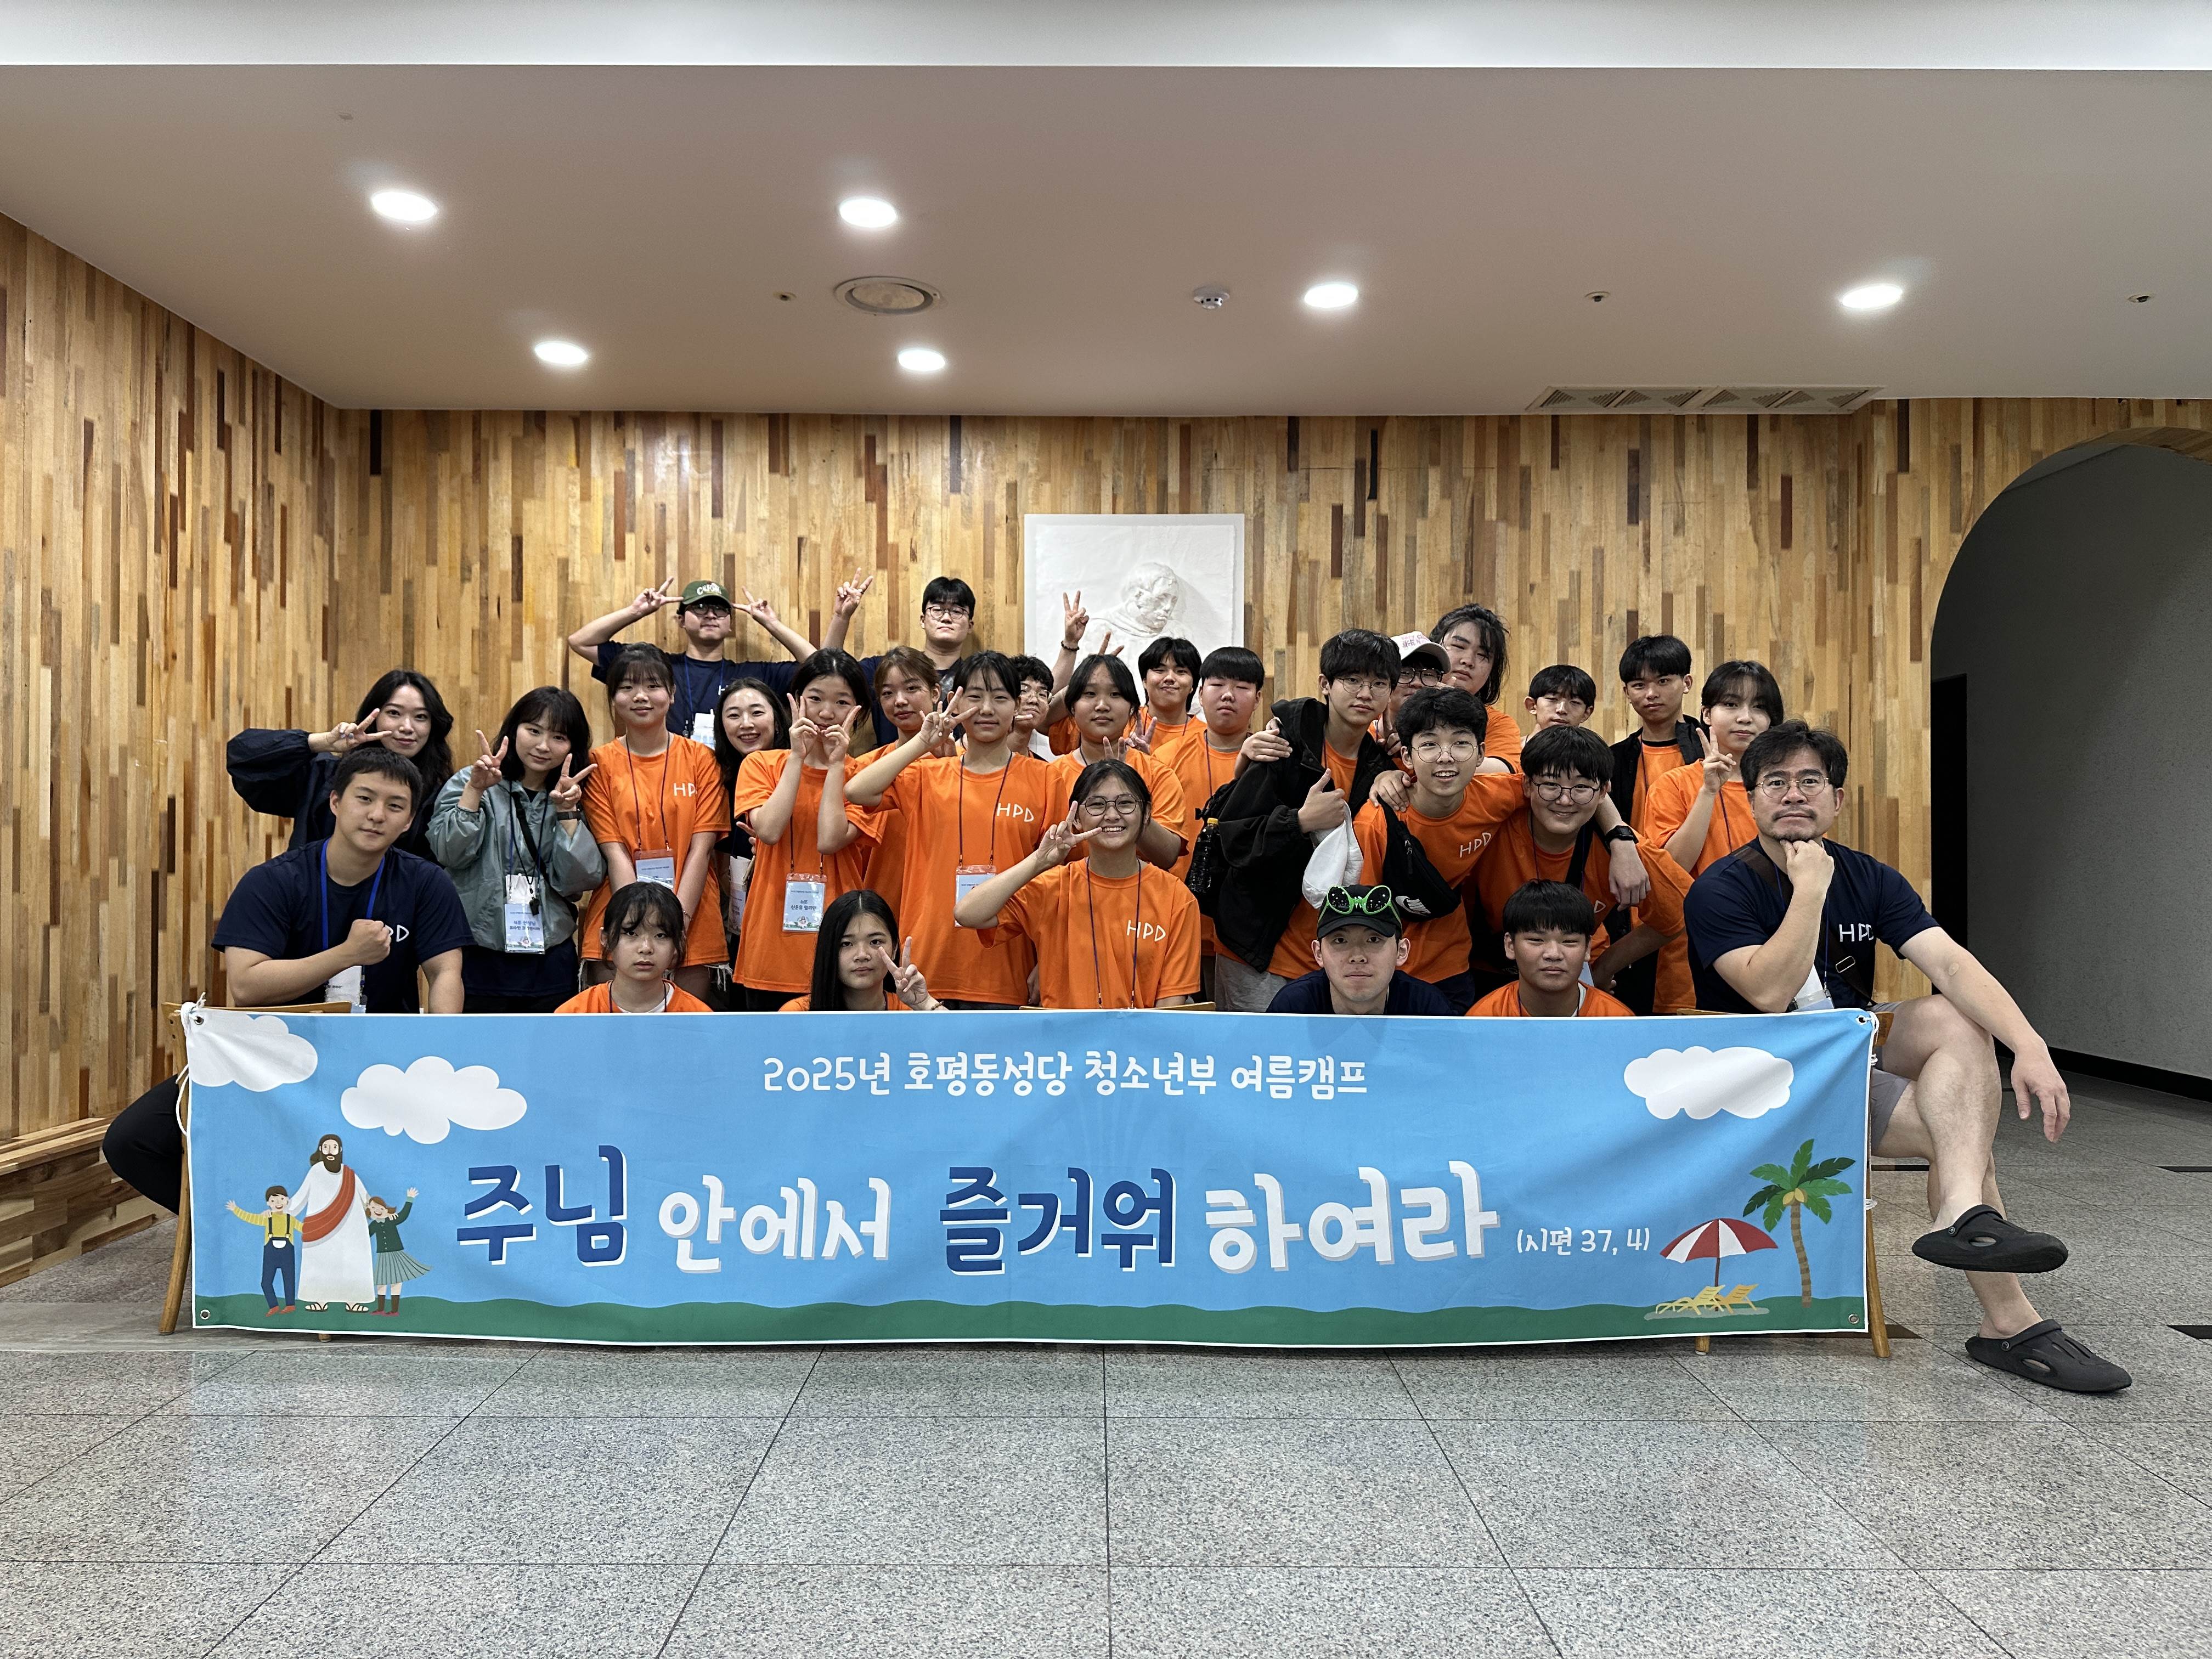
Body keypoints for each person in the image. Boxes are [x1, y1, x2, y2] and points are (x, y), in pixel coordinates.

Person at [1683, 721, 2129, 1394]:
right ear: (1751, 801)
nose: (1793, 795)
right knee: (1963, 1136)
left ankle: (1962, 1216)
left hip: (1846, 1066)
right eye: (1775, 782)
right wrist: (1809, 891)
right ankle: (2008, 1319)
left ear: (1838, 799)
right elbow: (1769, 993)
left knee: (1958, 1020)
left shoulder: (1871, 877)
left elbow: (1950, 963)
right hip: (1763, 1084)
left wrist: (2030, 1046)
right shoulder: (1721, 887)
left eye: (1810, 782)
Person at [103, 748, 472, 1216]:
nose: (378, 815)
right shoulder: (275, 881)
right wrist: (346, 955)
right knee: (132, 1140)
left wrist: (439, 1047)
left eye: (395, 806)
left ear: (409, 821)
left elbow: (445, 972)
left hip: (379, 1060)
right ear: (335, 802)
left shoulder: (426, 883)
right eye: (364, 798)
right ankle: (235, 1233)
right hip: (271, 1055)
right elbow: (247, 985)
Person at [1208, 629, 1404, 1012]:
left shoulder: (1380, 766)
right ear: (1325, 685)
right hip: (1259, 951)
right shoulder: (1283, 745)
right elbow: (1234, 839)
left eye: (1379, 684)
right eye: (1352, 680)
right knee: (1263, 1050)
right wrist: (1298, 821)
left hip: (1335, 960)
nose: (1365, 693)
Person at [845, 653, 1056, 1008]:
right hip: (927, 967)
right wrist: (922, 742)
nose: (986, 709)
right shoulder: (927, 775)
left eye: (1000, 697)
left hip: (1006, 965)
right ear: (955, 702)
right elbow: (857, 791)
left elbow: (1057, 880)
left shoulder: (1047, 778)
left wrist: (1045, 956)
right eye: (975, 697)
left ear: (1018, 706)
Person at [955, 760, 1201, 1008]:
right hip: (1062, 1033)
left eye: (1126, 803)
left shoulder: (1176, 898)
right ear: (1076, 820)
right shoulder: (1053, 887)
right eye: (1097, 805)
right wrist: (1039, 861)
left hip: (1140, 1033)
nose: (1112, 815)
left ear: (1146, 814)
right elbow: (968, 913)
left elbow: (1170, 1007)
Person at [1465, 724, 1682, 998]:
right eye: (1551, 785)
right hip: (1480, 973)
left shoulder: (1625, 851)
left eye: (1581, 787)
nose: (1565, 800)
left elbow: (1675, 917)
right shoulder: (1492, 819)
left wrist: (1604, 968)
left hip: (1574, 975)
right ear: (1527, 785)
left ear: (1603, 792)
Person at [426, 687, 606, 1012]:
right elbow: (448, 852)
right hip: (478, 951)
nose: (543, 746)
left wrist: (567, 813)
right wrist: (475, 791)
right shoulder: (472, 781)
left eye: (558, 737)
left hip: (550, 956)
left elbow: (580, 881)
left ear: (573, 747)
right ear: (514, 730)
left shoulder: (576, 797)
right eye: (533, 731)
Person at [1348, 687, 1526, 1013]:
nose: (1446, 756)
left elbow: (1567, 786)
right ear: (1407, 756)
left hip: (1451, 968)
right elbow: (1363, 915)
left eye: (1460, 743)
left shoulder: (1497, 796)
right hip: (1387, 975)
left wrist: (1618, 836)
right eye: (1429, 745)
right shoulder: (1376, 823)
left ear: (1481, 753)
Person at [726, 650, 881, 1009]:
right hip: (770, 942)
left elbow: (830, 840)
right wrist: (797, 756)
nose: (826, 713)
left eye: (842, 702)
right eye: (815, 699)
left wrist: (836, 765)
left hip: (841, 943)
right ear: (796, 701)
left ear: (859, 711)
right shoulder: (761, 763)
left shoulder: (864, 777)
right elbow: (769, 830)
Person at [578, 646, 730, 1002]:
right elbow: (614, 852)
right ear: (613, 697)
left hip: (692, 913)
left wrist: (676, 925)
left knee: (685, 1031)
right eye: (627, 687)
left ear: (672, 694)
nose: (640, 696)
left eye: (652, 685)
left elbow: (701, 849)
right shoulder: (598, 763)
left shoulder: (702, 759)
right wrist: (634, 927)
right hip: (619, 914)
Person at [1644, 660, 1782, 1012]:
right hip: (1690, 969)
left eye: (1759, 708)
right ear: (1706, 714)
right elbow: (1670, 871)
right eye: (1731, 704)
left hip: (1775, 964)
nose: (1745, 718)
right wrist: (1708, 792)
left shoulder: (1786, 792)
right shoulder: (1672, 785)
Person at [225, 669, 455, 860]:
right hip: (314, 895)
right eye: (394, 713)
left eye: (421, 717)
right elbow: (244, 758)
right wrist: (321, 742)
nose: (407, 727)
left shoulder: (442, 797)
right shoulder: (324, 775)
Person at [565, 578, 826, 744]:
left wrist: (772, 624)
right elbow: (581, 642)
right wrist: (636, 612)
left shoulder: (753, 678)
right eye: (699, 608)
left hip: (734, 783)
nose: (710, 615)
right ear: (681, 620)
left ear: (730, 624)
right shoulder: (655, 670)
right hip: (671, 778)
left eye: (720, 609)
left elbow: (820, 667)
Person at [1163, 646, 1266, 978]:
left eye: (1242, 687)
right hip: (1177, 922)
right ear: (1200, 692)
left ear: (1258, 698)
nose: (1228, 695)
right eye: (1218, 684)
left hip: (1244, 931)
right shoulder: (1165, 758)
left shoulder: (1270, 761)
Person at [1042, 654, 1188, 870]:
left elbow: (1167, 856)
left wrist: (1128, 791)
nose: (1102, 705)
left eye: (1115, 694)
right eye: (1090, 694)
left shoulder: (1158, 774)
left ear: (1132, 709)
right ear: (1072, 708)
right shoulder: (1049, 776)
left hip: (1142, 890)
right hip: (1068, 890)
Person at [1265, 885, 1455, 1015]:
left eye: (1373, 940)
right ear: (1319, 953)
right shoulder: (1292, 1008)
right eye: (1340, 940)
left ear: (1401, 951)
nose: (1357, 957)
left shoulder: (1428, 1009)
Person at [854, 647, 944, 914]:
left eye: (912, 688)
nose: (900, 701)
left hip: (941, 904)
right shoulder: (867, 767)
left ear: (935, 693)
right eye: (888, 693)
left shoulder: (958, 761)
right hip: (880, 906)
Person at [1466, 882, 1635, 1017]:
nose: (1554, 954)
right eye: (1536, 940)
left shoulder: (1617, 1021)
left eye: (1569, 941)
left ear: (1587, 948)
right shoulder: (1484, 1019)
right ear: (1510, 945)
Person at [710, 676, 791, 950]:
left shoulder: (796, 769)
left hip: (793, 905)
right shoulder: (717, 779)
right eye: (734, 716)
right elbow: (721, 858)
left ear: (777, 720)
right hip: (741, 914)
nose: (746, 724)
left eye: (757, 713)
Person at [556, 883, 715, 1012]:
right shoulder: (574, 1014)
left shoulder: (698, 1016)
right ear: (606, 939)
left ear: (678, 942)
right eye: (631, 933)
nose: (646, 948)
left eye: (661, 935)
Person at [782, 889, 944, 1010]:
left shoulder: (909, 1012)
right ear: (829, 950)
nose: (862, 955)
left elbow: (957, 1043)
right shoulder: (797, 1014)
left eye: (875, 942)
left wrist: (924, 1003)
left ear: (894, 948)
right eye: (846, 944)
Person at [1428, 604, 1523, 765]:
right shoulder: (1395, 707)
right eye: (1459, 646)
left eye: (1482, 655)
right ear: (1434, 647)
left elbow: (1503, 769)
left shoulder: (1498, 724)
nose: (1468, 661)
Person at [226, 1184, 300, 1314]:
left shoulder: (291, 1219)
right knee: (266, 1283)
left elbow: (305, 1228)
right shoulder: (267, 1218)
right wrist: (235, 1210)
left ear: (287, 1200)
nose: (278, 1203)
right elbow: (250, 1217)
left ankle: (290, 1305)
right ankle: (274, 1306)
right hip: (271, 1254)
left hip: (287, 1254)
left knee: (289, 1281)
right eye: (273, 1200)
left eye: (281, 1199)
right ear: (268, 1203)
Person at [365, 1188, 428, 1317]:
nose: (377, 1210)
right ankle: (381, 1308)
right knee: (381, 1282)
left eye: (380, 1208)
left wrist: (410, 1199)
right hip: (382, 1255)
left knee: (396, 1281)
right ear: (370, 1210)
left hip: (396, 1254)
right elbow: (365, 1235)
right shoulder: (374, 1225)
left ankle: (394, 1310)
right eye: (373, 1208)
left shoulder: (392, 1219)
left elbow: (403, 1215)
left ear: (386, 1209)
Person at [1136, 635, 1202, 750]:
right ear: (1145, 681)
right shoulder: (1124, 722)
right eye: (1160, 670)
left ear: (1193, 685)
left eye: (1181, 671)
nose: (1169, 678)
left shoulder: (1206, 736)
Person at [1525, 664, 1597, 730]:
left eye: (1575, 702)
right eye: (1552, 699)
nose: (1562, 710)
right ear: (1532, 706)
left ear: (1586, 713)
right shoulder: (1518, 741)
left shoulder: (1594, 741)